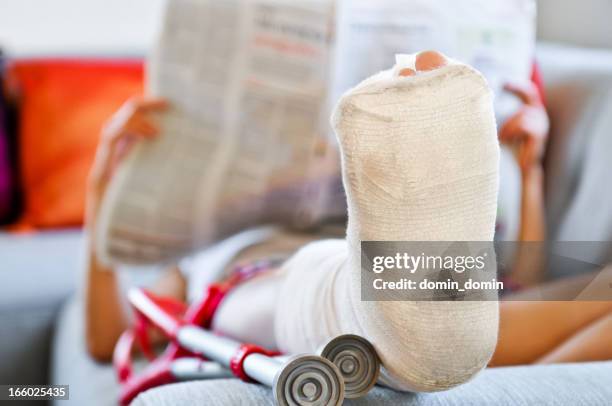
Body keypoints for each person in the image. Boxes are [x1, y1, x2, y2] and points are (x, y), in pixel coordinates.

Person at [85, 50, 612, 384]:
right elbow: (108, 340)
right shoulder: (205, 251)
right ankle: (366, 301)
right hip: (270, 275)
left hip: (455, 288)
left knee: (463, 296)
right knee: (301, 278)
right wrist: (100, 195)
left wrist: (530, 170)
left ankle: (436, 346)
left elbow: (523, 281)